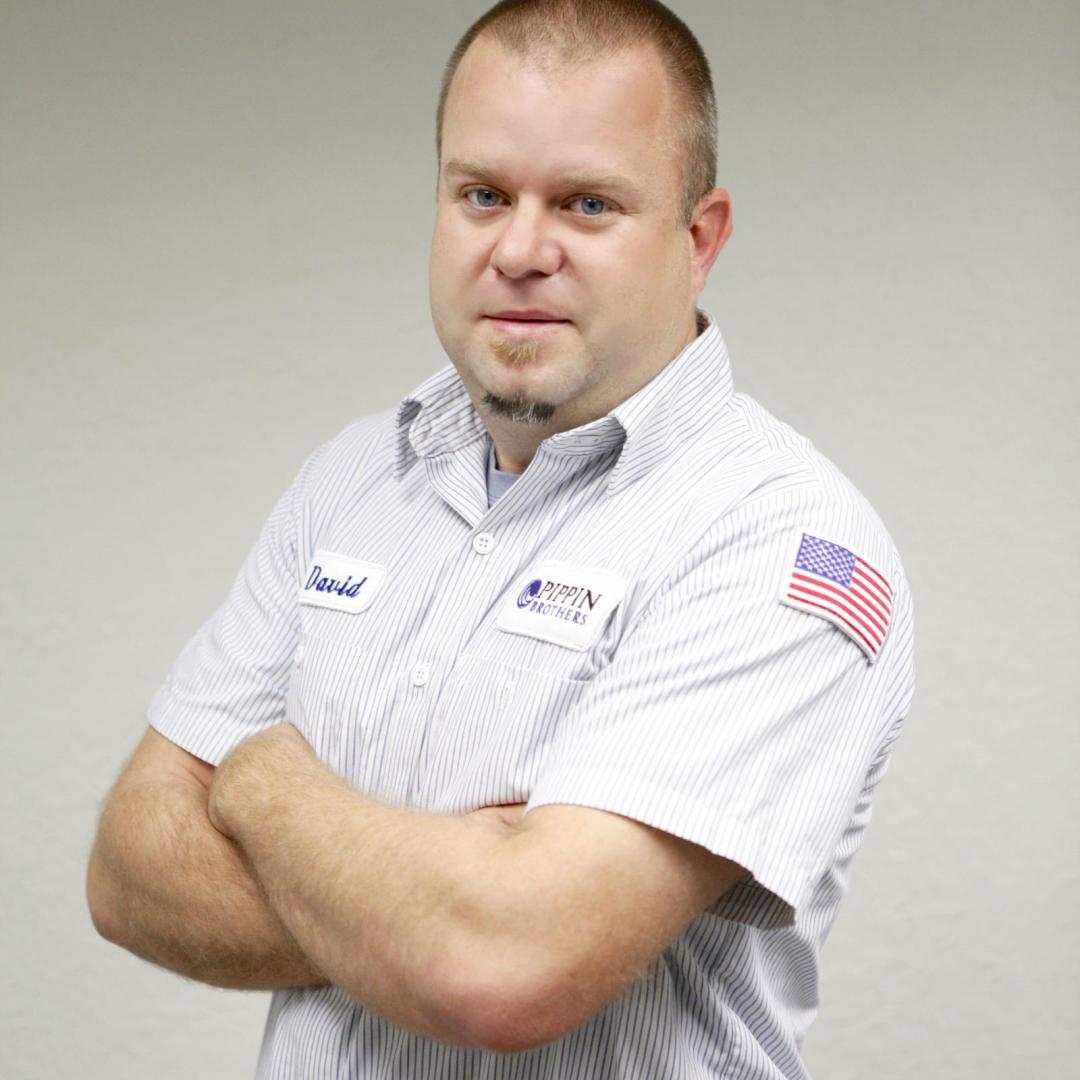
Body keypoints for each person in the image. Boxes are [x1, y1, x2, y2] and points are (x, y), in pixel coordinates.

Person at [86, 0, 915, 1076]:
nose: (520, 251)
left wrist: (258, 782)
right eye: (482, 194)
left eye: (587, 204)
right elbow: (129, 872)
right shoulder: (351, 480)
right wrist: (435, 903)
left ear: (698, 238)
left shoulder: (781, 538)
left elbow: (503, 967)